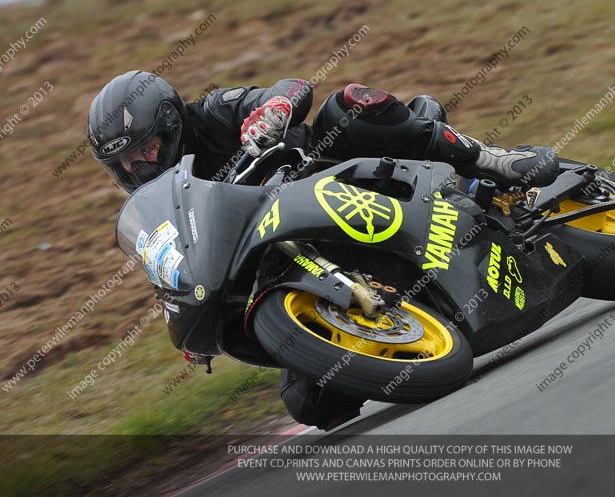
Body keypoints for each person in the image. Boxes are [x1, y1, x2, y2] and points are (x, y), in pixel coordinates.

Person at [88, 70, 559, 429]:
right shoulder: (164, 203)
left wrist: (272, 109)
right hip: (285, 258)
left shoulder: (212, 112)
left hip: (332, 176)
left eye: (145, 150)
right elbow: (175, 261)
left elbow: (293, 87)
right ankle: (395, 321)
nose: (138, 166)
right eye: (124, 165)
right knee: (310, 404)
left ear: (171, 124)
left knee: (348, 105)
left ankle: (490, 160)